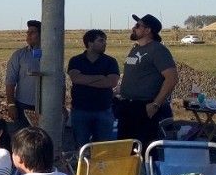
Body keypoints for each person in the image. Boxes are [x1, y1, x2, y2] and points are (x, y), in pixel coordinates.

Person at [115, 14, 178, 147]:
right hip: (127, 106)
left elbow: (172, 78)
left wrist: (155, 105)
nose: (133, 28)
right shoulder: (135, 49)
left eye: (138, 25)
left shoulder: (158, 50)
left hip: (144, 107)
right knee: (125, 149)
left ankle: (146, 168)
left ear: (148, 30)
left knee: (143, 149)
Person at [67, 29, 120, 149]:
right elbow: (75, 78)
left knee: (101, 148)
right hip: (80, 111)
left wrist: (85, 80)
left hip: (104, 111)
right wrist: (100, 77)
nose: (104, 43)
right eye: (101, 40)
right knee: (81, 147)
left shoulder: (110, 61)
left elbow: (112, 82)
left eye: (105, 40)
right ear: (90, 43)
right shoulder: (76, 60)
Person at [5, 20, 42, 131]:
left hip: (47, 106)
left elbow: (61, 80)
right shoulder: (19, 55)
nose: (28, 35)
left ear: (42, 34)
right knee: (23, 138)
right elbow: (10, 80)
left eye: (33, 32)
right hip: (24, 105)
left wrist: (62, 105)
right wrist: (11, 105)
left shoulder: (52, 55)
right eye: (28, 32)